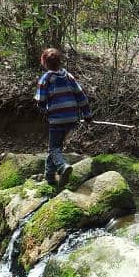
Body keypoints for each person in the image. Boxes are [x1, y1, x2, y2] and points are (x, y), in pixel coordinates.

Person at [35, 47, 92, 186]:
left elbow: (41, 100)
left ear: (44, 62)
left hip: (57, 118)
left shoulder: (45, 78)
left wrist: (44, 109)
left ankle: (63, 166)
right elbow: (80, 95)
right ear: (60, 62)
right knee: (55, 147)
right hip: (72, 117)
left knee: (53, 148)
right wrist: (87, 114)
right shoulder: (68, 76)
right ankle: (49, 177)